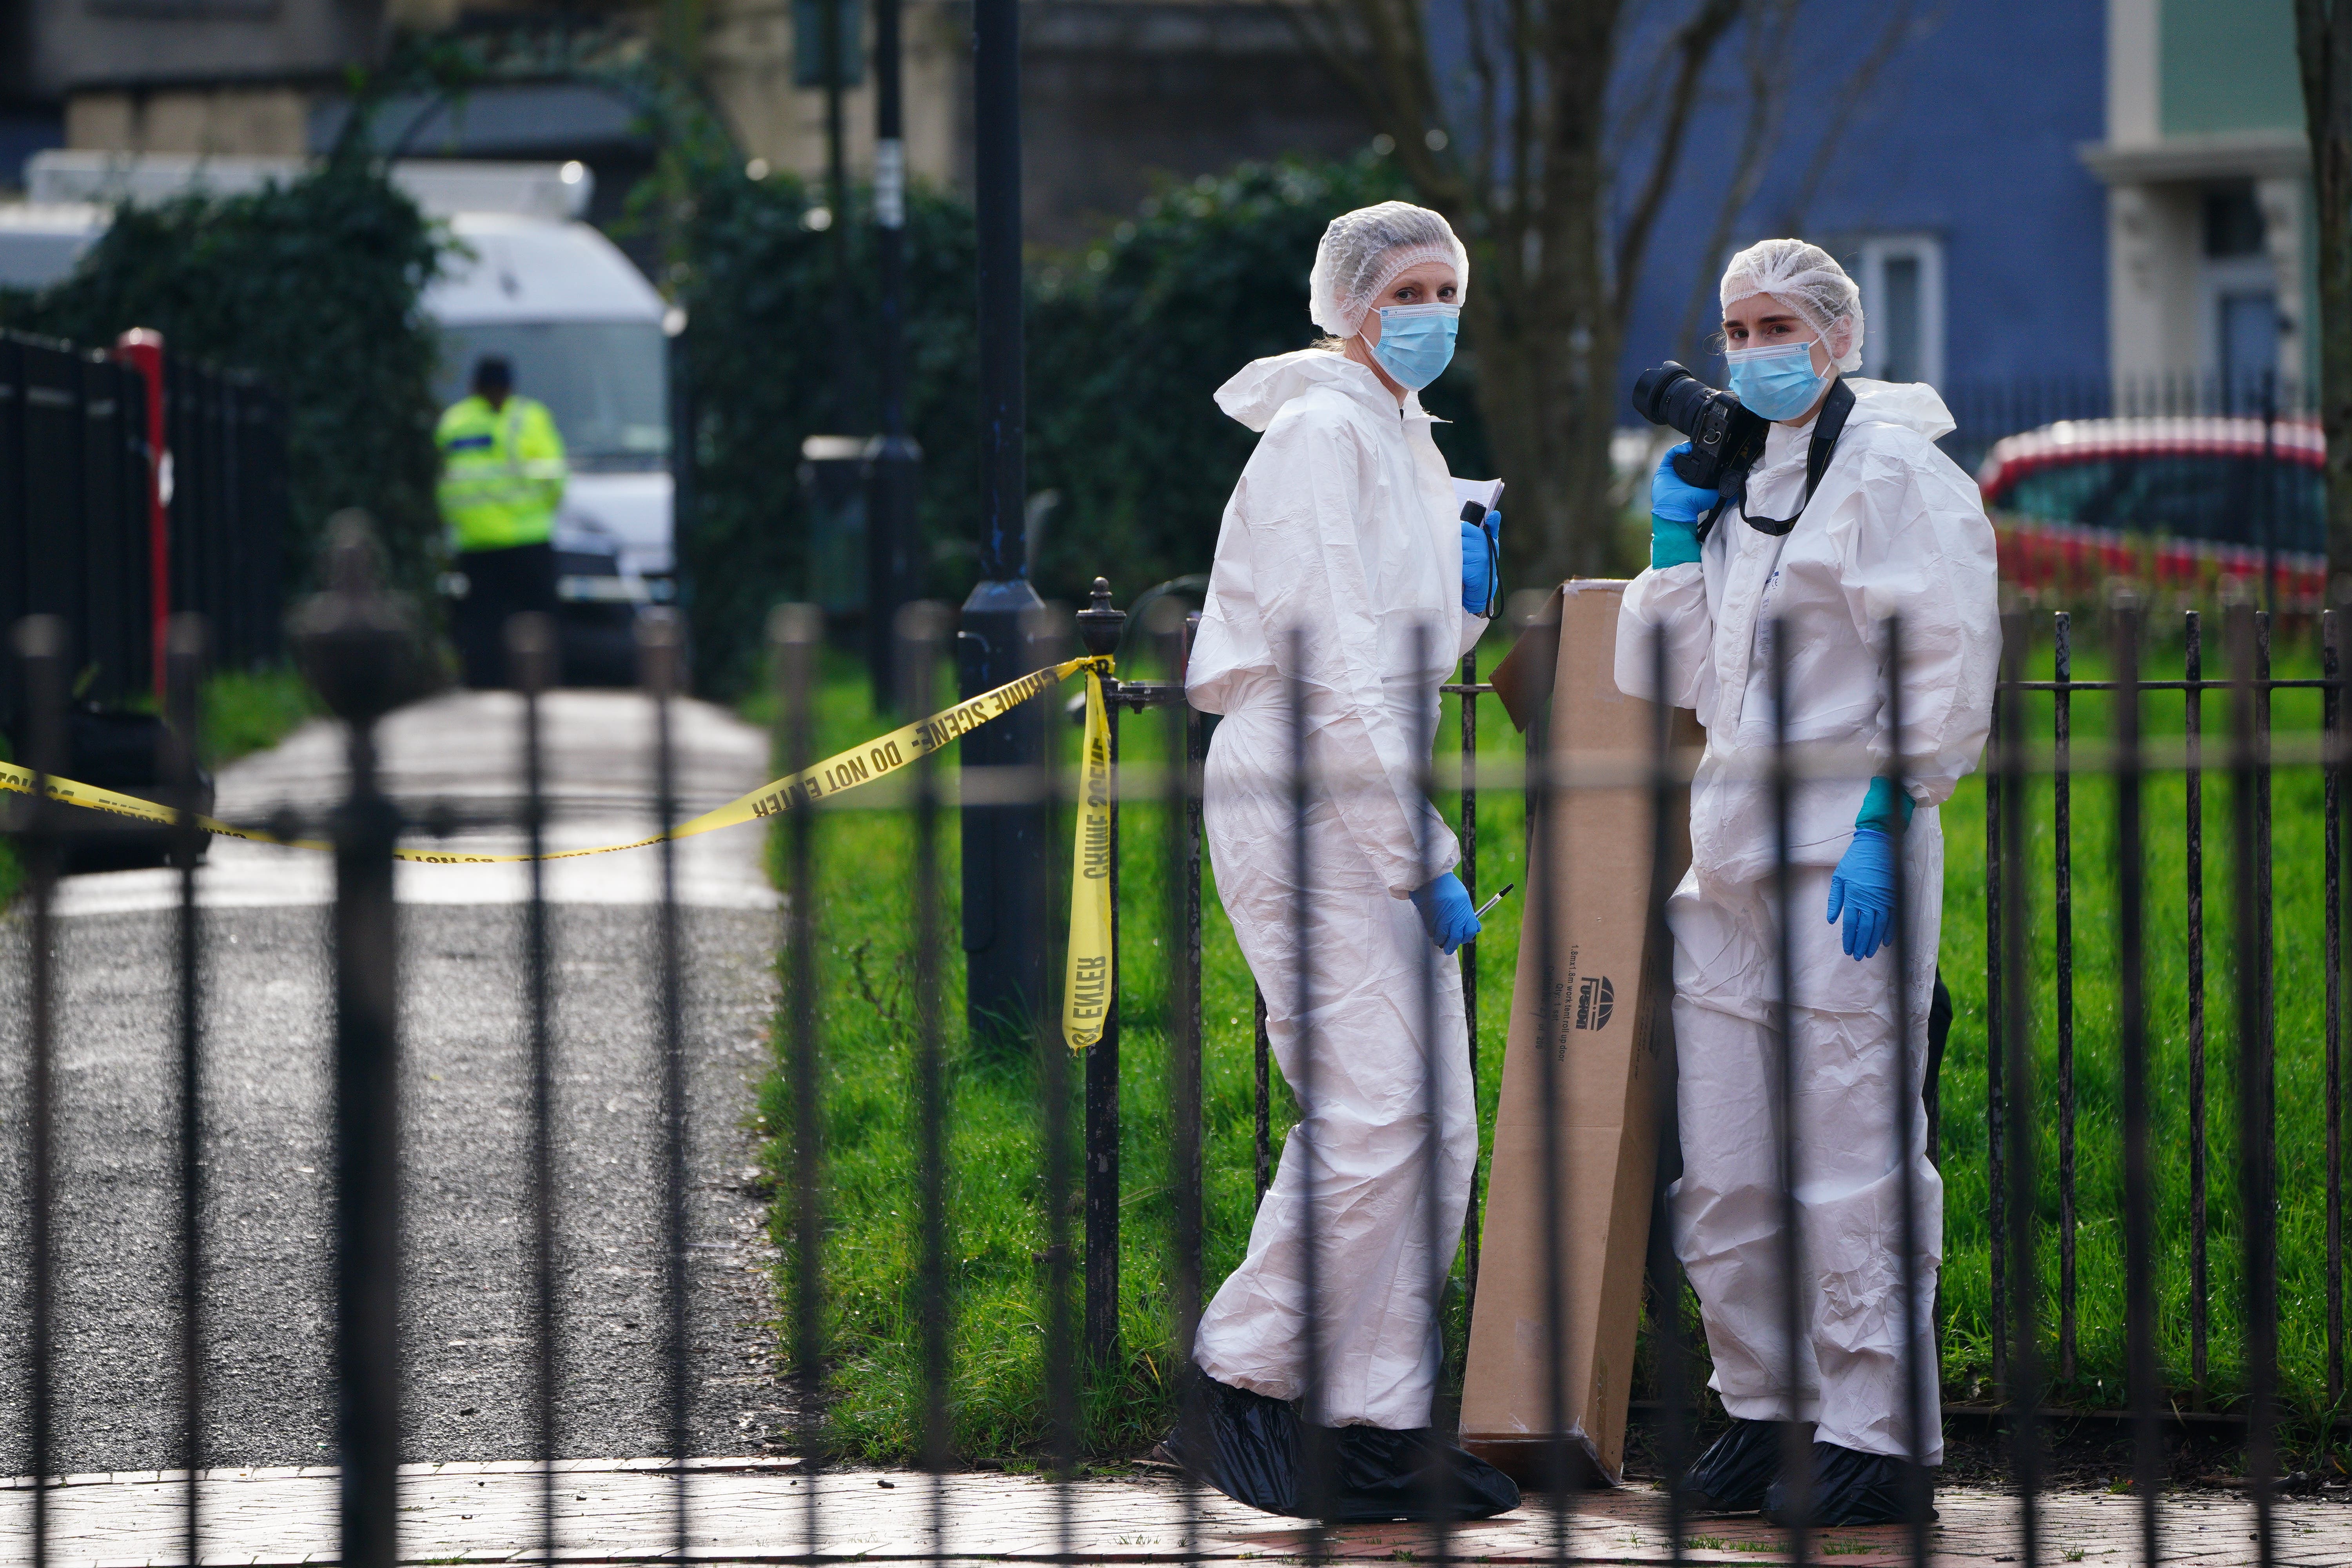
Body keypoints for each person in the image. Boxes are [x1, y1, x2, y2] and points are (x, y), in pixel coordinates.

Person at [1614, 239, 1999, 1526]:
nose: (1754, 348)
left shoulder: (1897, 475)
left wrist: (1893, 811)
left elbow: (1937, 661)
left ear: (1840, 333)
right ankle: (1763, 1408)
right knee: (1722, 1163)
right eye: (1736, 326)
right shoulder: (1752, 479)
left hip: (1848, 854)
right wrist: (1675, 542)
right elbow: (1684, 679)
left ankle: (1874, 1436)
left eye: (1779, 322)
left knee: (1851, 1149)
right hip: (1730, 853)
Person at [1164, 201, 1517, 1523]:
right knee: (1374, 1115)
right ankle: (1243, 1382)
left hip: (1361, 790)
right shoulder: (1321, 432)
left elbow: (1402, 653)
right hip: (1309, 790)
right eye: (1407, 289)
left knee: (1436, 1128)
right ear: (1349, 300)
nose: (1431, 311)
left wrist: (1469, 593)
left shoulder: (1400, 437)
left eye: (1447, 288)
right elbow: (1331, 669)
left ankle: (1374, 1416)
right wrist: (1415, 850)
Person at [436, 355, 568, 688]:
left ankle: (484, 688)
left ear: (474, 387)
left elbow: (439, 483)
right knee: (539, 623)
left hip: (478, 544)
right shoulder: (531, 417)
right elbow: (556, 478)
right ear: (511, 386)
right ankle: (541, 683)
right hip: (528, 540)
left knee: (482, 626)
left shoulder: (455, 424)